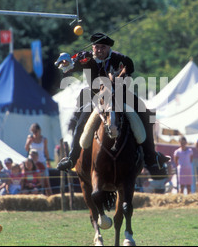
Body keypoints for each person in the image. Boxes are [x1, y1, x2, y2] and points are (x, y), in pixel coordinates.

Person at [54, 32, 169, 176]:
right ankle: (72, 158)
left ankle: (152, 157)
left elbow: (129, 69)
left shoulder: (121, 59)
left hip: (119, 94)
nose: (99, 50)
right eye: (96, 47)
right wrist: (65, 62)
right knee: (80, 121)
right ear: (93, 47)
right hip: (95, 96)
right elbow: (69, 66)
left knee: (147, 114)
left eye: (103, 47)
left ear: (109, 48)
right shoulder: (85, 57)